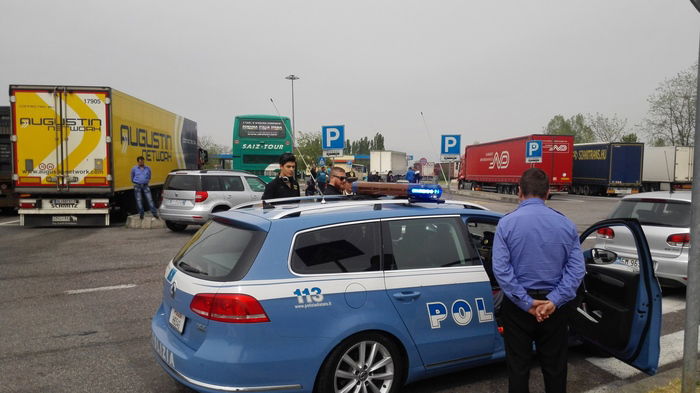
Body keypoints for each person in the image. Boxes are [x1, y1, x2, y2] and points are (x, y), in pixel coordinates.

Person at [491, 168, 585, 393]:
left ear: (519, 191)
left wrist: (526, 303)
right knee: (555, 368)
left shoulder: (507, 224)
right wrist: (553, 301)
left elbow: (501, 270)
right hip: (554, 309)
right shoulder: (566, 224)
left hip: (517, 308)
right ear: (548, 192)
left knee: (518, 368)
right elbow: (577, 270)